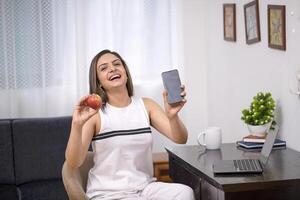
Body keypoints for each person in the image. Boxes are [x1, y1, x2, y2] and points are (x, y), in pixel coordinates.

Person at [65, 49, 195, 200]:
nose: (112, 68)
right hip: (108, 194)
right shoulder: (96, 114)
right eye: (104, 68)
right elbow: (73, 163)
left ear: (125, 73)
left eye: (117, 64)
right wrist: (76, 125)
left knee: (184, 193)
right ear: (98, 81)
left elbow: (181, 138)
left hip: (145, 188)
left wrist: (173, 116)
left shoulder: (146, 105)